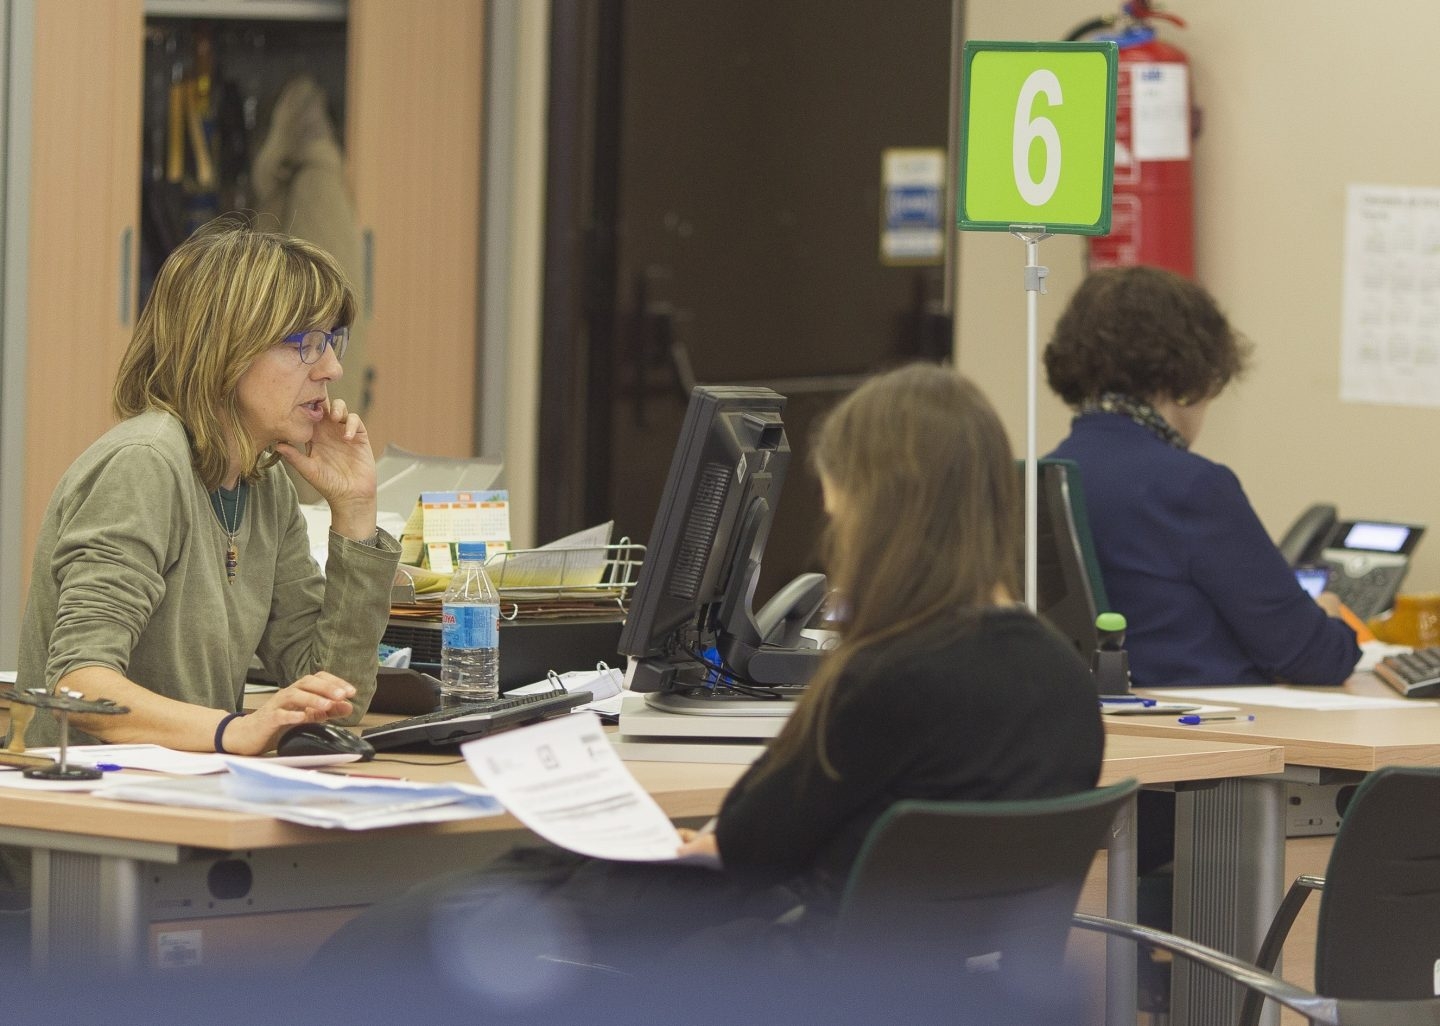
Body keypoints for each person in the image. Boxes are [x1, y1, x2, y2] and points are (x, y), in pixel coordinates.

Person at [312, 363, 1104, 1017]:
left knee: (384, 941)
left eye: (840, 500)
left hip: (776, 985)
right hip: (913, 993)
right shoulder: (1065, 681)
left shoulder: (885, 681)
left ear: (881, 509)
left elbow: (743, 847)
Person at [9, 219, 401, 756]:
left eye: (333, 341)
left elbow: (336, 698)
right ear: (228, 351)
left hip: (197, 794)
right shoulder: (144, 463)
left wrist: (355, 513)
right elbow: (79, 685)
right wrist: (232, 730)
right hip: (94, 806)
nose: (332, 367)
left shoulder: (265, 483)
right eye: (307, 344)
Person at [1045, 265, 1360, 688]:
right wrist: (1329, 614)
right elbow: (1316, 657)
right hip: (1214, 732)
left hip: (1101, 731)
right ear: (1189, 376)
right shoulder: (1191, 486)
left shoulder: (1046, 476)